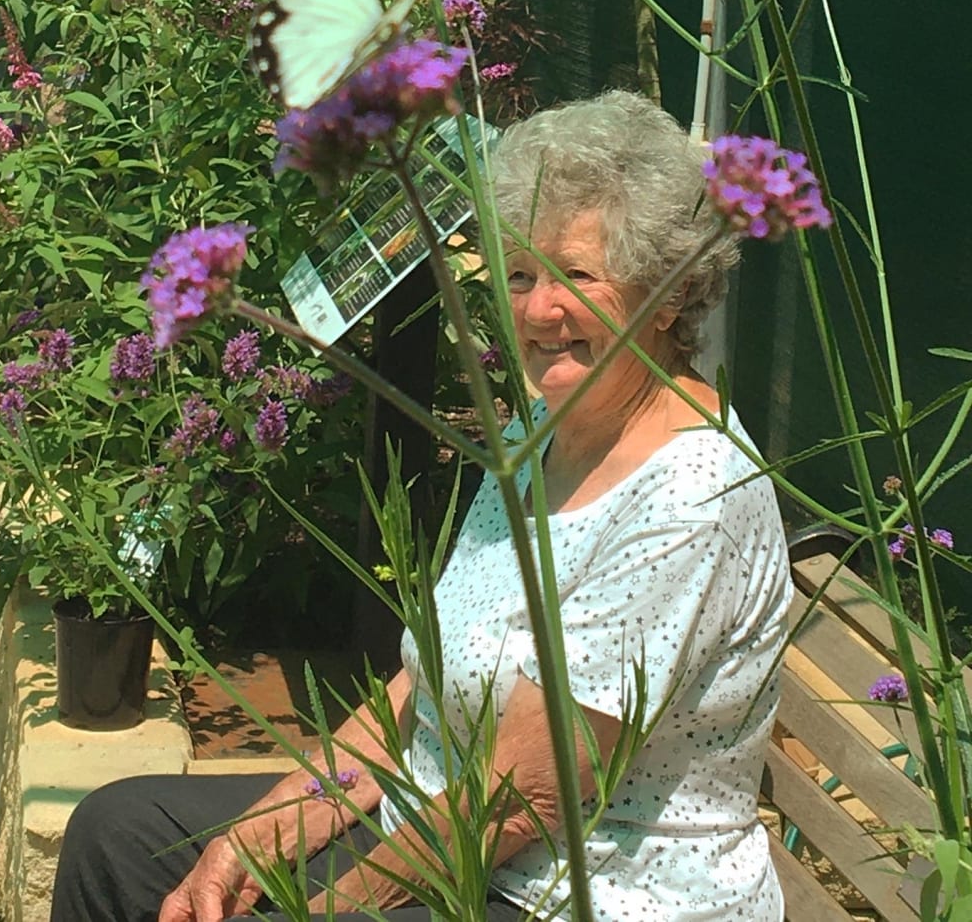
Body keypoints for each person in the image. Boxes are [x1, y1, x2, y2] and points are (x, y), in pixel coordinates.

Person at [51, 90, 792, 922]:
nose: (538, 310)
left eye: (577, 276)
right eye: (520, 274)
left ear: (668, 293)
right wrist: (261, 833)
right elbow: (421, 689)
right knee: (119, 834)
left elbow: (522, 801)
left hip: (587, 890)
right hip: (435, 816)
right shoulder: (540, 429)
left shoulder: (692, 497)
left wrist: (318, 910)